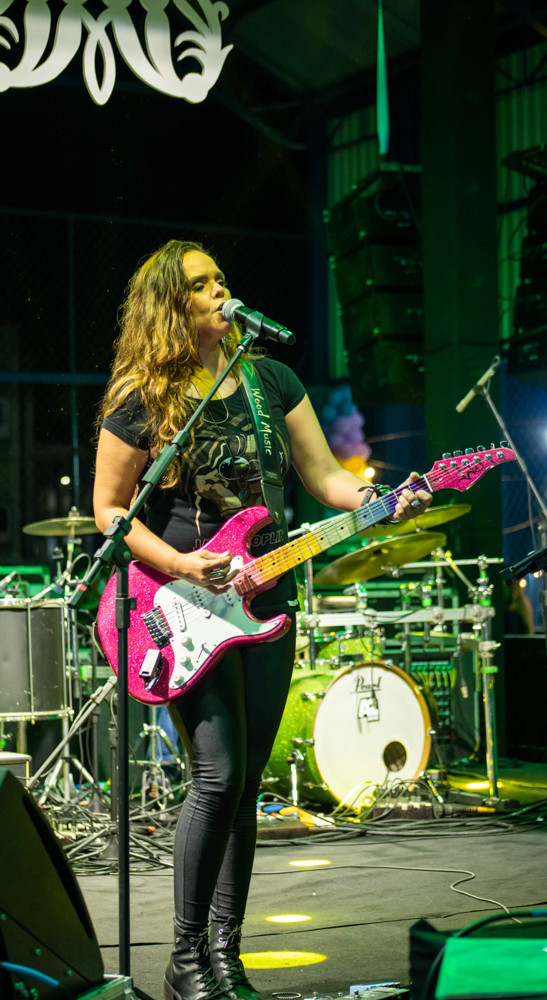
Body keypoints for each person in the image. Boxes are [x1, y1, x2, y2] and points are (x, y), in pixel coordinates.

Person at [92, 239, 432, 1000]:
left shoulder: (271, 379)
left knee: (244, 781)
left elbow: (324, 477)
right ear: (169, 305)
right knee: (215, 777)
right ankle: (184, 960)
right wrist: (181, 564)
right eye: (201, 285)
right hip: (180, 608)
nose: (221, 291)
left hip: (264, 598)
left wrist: (380, 501)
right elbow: (109, 508)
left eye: (221, 279)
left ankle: (225, 958)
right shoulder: (143, 398)